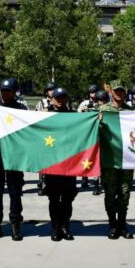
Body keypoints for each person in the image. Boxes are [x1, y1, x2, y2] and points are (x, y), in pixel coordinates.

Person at [0, 77, 27, 241]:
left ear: (15, 92)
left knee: (15, 191)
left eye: (8, 91)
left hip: (14, 155)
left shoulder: (21, 108)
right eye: (3, 91)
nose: (5, 94)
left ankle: (15, 224)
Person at [98, 82, 134, 239]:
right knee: (110, 194)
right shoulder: (103, 110)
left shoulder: (131, 111)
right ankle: (112, 224)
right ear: (111, 92)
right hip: (109, 160)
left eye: (122, 91)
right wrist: (97, 121)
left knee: (125, 193)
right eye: (116, 91)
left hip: (127, 159)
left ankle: (122, 224)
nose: (119, 94)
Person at [45, 86, 80, 241]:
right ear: (52, 99)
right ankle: (55, 228)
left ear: (66, 99)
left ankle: (65, 226)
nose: (60, 100)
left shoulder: (74, 116)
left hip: (69, 163)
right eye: (57, 97)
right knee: (53, 198)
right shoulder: (44, 116)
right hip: (51, 163)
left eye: (62, 97)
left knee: (67, 197)